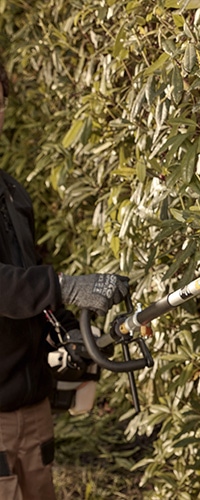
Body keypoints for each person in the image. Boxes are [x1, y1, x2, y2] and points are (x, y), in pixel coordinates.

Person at [0, 61, 129, 499]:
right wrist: (68, 285)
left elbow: (31, 285)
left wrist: (79, 340)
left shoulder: (12, 193)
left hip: (31, 406)